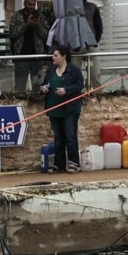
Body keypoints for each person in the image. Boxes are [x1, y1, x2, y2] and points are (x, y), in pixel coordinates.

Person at [35, 45, 84, 173]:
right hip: (54, 108)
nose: (53, 58)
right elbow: (43, 85)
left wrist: (66, 90)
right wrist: (43, 89)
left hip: (69, 109)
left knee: (70, 135)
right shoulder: (51, 71)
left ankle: (74, 163)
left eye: (56, 55)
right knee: (58, 137)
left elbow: (80, 85)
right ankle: (59, 164)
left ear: (64, 56)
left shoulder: (73, 70)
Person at [10, 0, 48, 92]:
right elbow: (13, 34)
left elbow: (45, 35)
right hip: (21, 57)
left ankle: (36, 105)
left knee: (37, 85)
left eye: (33, 5)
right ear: (25, 4)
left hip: (37, 57)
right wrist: (26, 24)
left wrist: (37, 26)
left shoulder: (40, 16)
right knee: (20, 86)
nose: (31, 7)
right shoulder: (17, 16)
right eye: (29, 4)